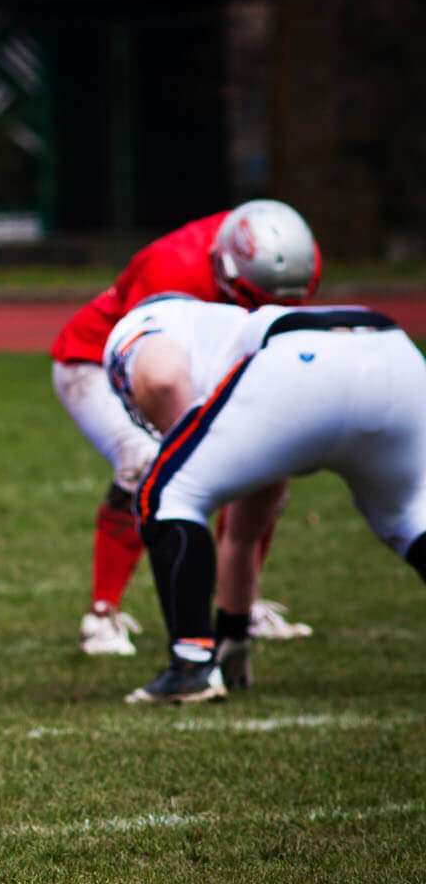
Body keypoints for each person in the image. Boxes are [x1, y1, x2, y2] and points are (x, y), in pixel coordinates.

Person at [103, 296, 425, 703]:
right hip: (394, 351)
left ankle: (190, 665)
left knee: (168, 495)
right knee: (412, 516)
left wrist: (184, 448)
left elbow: (162, 379)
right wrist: (234, 634)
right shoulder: (227, 327)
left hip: (301, 359)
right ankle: (222, 647)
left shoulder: (141, 327)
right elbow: (251, 512)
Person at [49, 202, 320, 656]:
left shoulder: (287, 254)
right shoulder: (169, 269)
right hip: (99, 362)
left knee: (261, 460)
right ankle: (101, 615)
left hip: (194, 361)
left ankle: (240, 605)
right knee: (146, 464)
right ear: (225, 269)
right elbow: (149, 369)